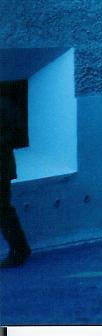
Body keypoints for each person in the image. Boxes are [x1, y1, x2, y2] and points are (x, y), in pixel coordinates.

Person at [0, 94, 30, 268]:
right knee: (4, 209)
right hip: (4, 165)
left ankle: (19, 249)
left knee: (3, 210)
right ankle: (20, 249)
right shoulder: (5, 102)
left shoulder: (4, 104)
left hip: (2, 166)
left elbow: (15, 132)